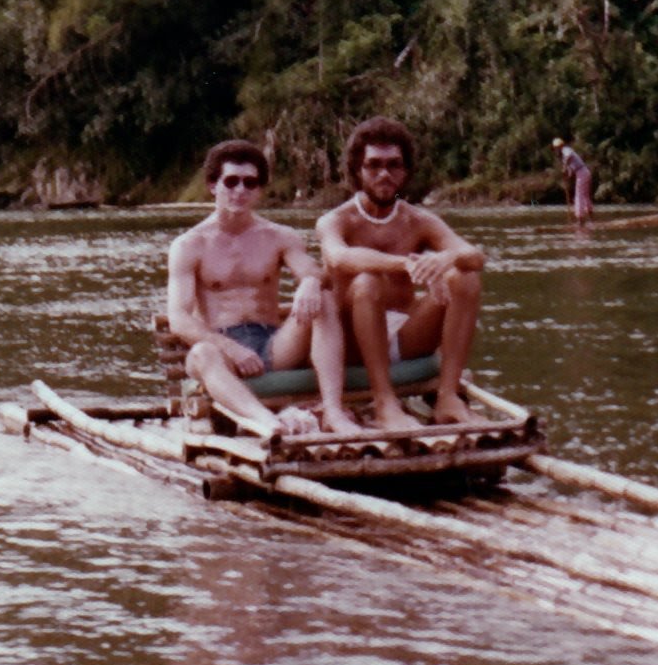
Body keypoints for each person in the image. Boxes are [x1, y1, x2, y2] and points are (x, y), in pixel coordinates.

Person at [166, 139, 350, 436]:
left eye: (250, 183)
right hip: (222, 346)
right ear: (214, 185)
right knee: (201, 354)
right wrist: (233, 350)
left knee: (324, 299)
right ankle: (267, 421)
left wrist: (311, 282)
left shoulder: (280, 237)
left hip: (275, 343)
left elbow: (311, 271)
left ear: (259, 190)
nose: (240, 190)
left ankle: (333, 411)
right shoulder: (189, 245)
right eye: (231, 181)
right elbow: (179, 319)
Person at [316, 117, 487, 432]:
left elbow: (475, 256)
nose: (385, 174)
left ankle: (448, 397)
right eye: (374, 165)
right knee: (366, 281)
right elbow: (340, 259)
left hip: (406, 337)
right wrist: (405, 264)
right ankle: (385, 403)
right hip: (353, 341)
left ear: (406, 171)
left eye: (394, 165)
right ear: (357, 170)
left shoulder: (418, 220)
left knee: (465, 277)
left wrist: (446, 259)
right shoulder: (336, 220)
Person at [554, 137, 593, 222]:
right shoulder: (564, 156)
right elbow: (570, 171)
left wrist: (564, 167)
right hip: (584, 172)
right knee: (585, 195)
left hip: (582, 172)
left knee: (579, 195)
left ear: (561, 146)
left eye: (558, 147)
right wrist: (566, 175)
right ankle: (590, 216)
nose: (557, 150)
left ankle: (580, 219)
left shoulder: (565, 150)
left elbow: (569, 155)